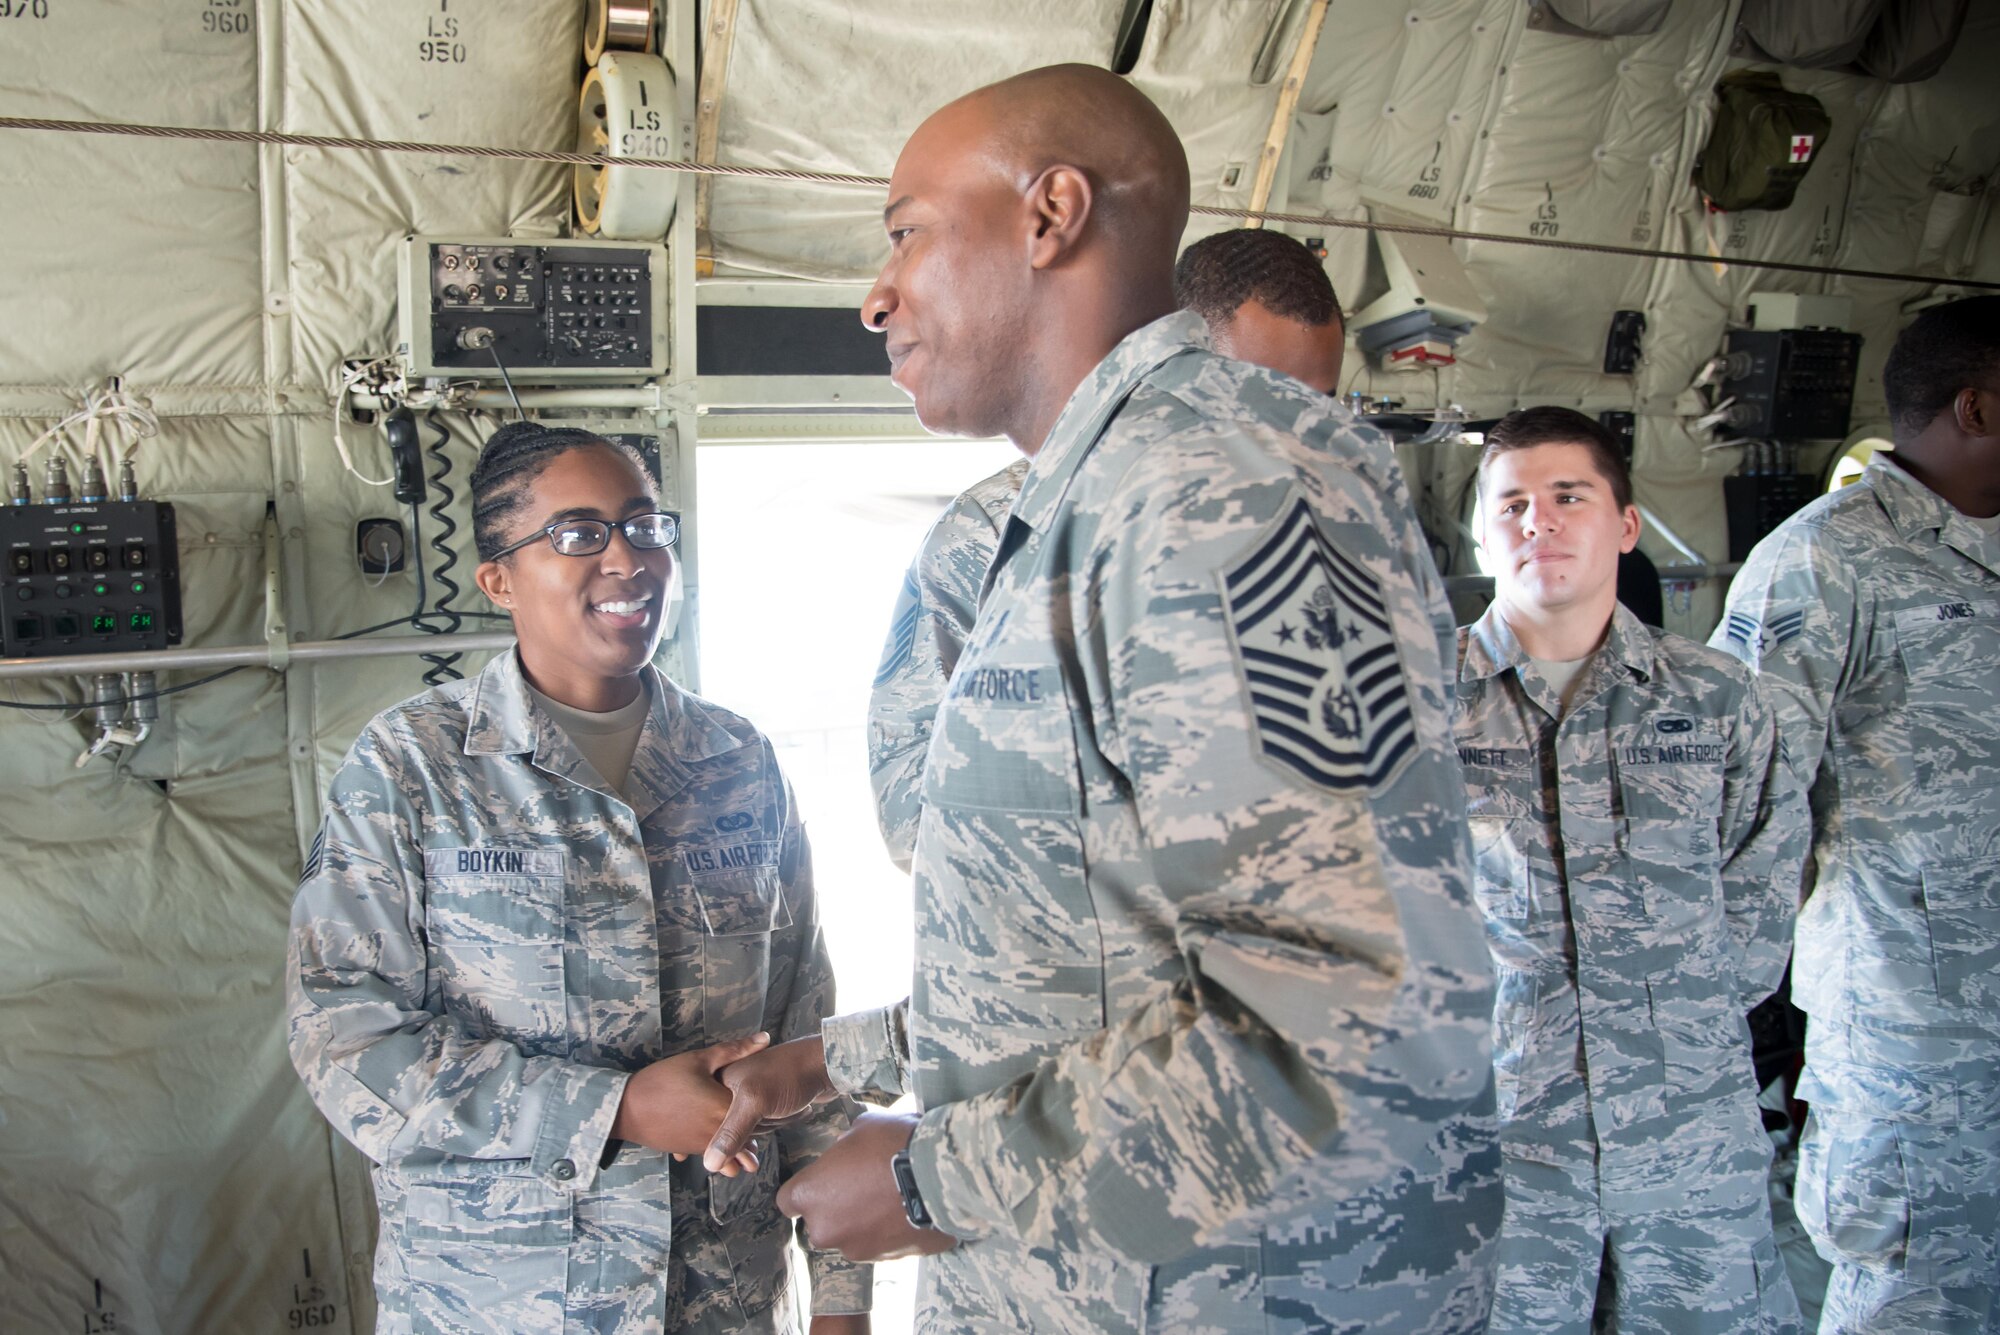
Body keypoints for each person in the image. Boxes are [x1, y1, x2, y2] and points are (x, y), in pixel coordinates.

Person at [707, 64, 1498, 1333]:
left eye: (907, 230)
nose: (876, 294)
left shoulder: (1224, 490)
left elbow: (1343, 1012)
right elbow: (1086, 948)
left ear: (1048, 214)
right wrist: (831, 1064)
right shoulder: (1081, 504)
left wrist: (928, 1174)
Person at [285, 424, 870, 1334]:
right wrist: (617, 1108)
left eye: (645, 526)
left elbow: (809, 1040)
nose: (628, 559)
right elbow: (346, 1042)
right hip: (498, 1301)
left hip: (720, 1300)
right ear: (498, 579)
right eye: (579, 533)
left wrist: (840, 1298)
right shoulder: (414, 767)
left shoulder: (736, 762)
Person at [1455, 407, 1806, 1333]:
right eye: (1514, 503)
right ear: (1482, 533)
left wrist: (1667, 1029)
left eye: (1569, 496)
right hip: (1498, 1152)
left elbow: (1760, 893)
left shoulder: (1721, 701)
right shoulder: (1414, 708)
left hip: (1690, 1142)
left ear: (1625, 524)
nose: (1540, 521)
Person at [866, 226, 1346, 869]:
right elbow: (910, 815)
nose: (1286, 443)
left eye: (1313, 411)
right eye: (1250, 402)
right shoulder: (996, 532)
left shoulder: (1338, 540)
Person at [1711, 295, 2000, 1335]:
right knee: (1912, 1290)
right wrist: (1730, 1021)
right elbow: (1740, 796)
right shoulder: (1821, 561)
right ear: (1973, 406)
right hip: (1913, 1039)